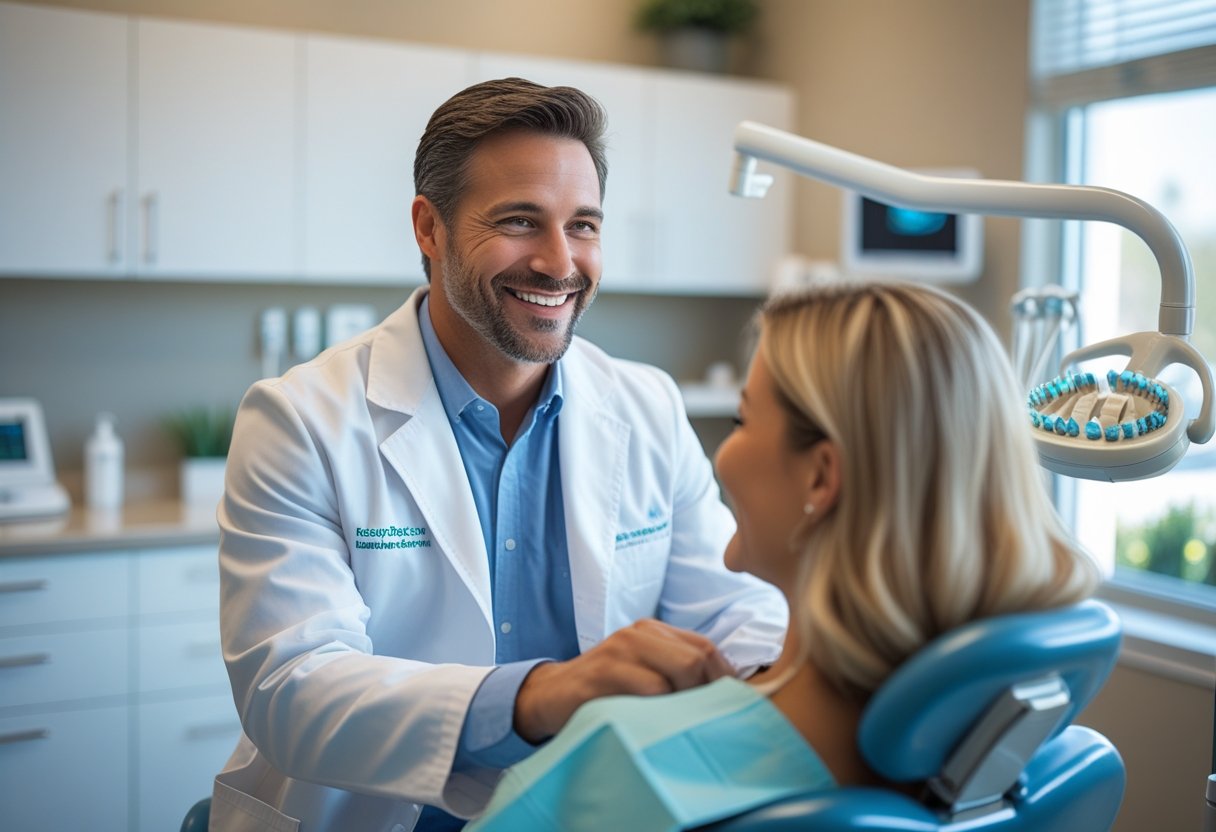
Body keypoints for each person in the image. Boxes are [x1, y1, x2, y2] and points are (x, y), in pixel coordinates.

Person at [210, 77, 786, 832]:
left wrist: (783, 678)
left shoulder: (646, 406)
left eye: (583, 225)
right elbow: (291, 691)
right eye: (520, 221)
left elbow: (734, 607)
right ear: (429, 228)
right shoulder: (300, 419)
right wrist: (538, 696)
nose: (559, 263)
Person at [464, 281, 1103, 831]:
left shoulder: (622, 763)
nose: (722, 456)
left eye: (742, 422)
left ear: (822, 479)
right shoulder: (1000, 761)